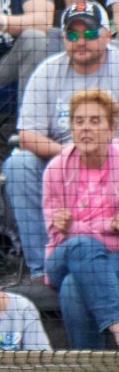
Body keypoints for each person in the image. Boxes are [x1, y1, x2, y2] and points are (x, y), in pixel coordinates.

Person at [3, 0, 119, 282]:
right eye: (72, 34)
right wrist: (72, 154)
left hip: (113, 164)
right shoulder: (47, 71)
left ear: (107, 34)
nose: (81, 41)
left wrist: (101, 152)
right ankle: (41, 269)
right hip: (61, 165)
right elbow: (27, 135)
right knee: (18, 164)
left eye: (89, 33)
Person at [43, 89, 119, 349]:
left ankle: (89, 363)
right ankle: (117, 324)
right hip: (62, 256)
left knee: (73, 286)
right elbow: (57, 234)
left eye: (95, 121)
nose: (86, 128)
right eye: (79, 121)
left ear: (111, 129)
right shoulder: (56, 169)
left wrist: (76, 226)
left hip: (114, 257)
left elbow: (70, 228)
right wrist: (108, 226)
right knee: (82, 246)